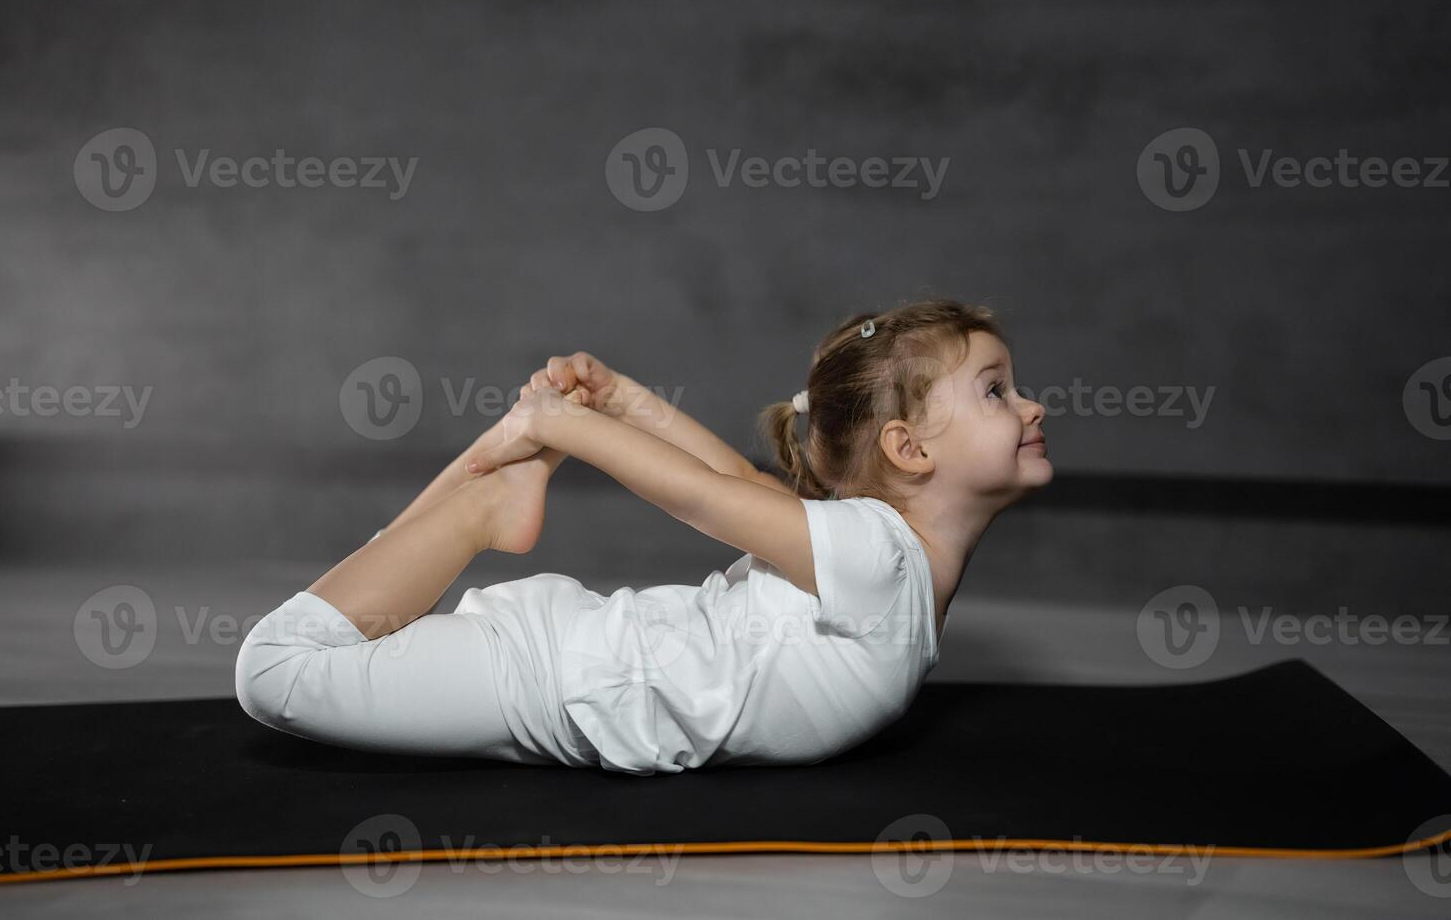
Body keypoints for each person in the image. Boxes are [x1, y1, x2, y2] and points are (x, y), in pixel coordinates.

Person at [234, 298, 1052, 775]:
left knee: (321, 653)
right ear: (907, 449)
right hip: (554, 683)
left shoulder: (872, 561)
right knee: (276, 671)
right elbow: (705, 497)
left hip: (581, 674)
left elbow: (741, 491)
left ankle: (492, 490)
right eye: (996, 391)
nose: (1032, 407)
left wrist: (624, 403)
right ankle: (487, 504)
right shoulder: (879, 558)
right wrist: (571, 425)